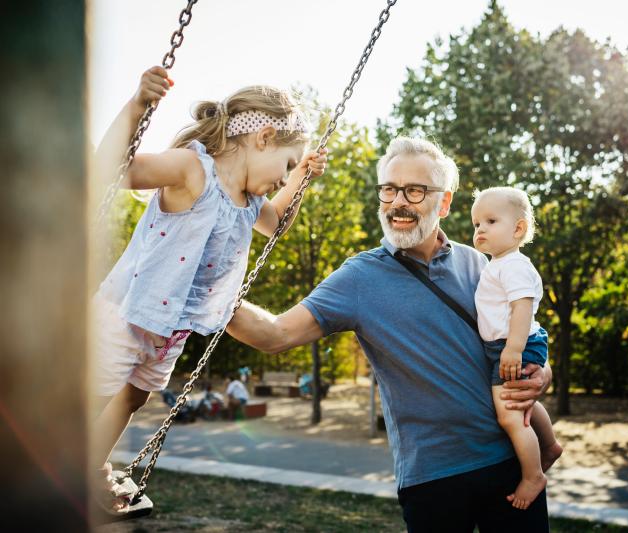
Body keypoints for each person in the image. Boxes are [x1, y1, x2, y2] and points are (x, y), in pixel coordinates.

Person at [228, 137, 553, 531]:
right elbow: (274, 334)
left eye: (415, 190)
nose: (399, 201)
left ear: (444, 203)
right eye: (389, 189)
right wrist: (208, 292)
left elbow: (519, 328)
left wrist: (542, 370)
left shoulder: (477, 262)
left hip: (508, 463)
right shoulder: (359, 277)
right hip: (432, 477)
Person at [90, 66, 327, 512]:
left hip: (173, 326)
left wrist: (300, 180)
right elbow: (117, 169)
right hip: (126, 312)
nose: (284, 176)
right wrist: (138, 105)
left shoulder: (250, 203)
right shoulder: (192, 168)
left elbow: (276, 223)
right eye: (287, 163)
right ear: (264, 137)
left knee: (135, 397)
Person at [471, 187, 563, 510]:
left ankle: (533, 475)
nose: (479, 229)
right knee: (521, 403)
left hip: (513, 346)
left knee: (509, 416)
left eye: (490, 221)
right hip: (509, 345)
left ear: (518, 229)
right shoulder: (497, 264)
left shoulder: (513, 265)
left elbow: (522, 308)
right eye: (477, 223)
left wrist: (513, 348)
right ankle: (549, 445)